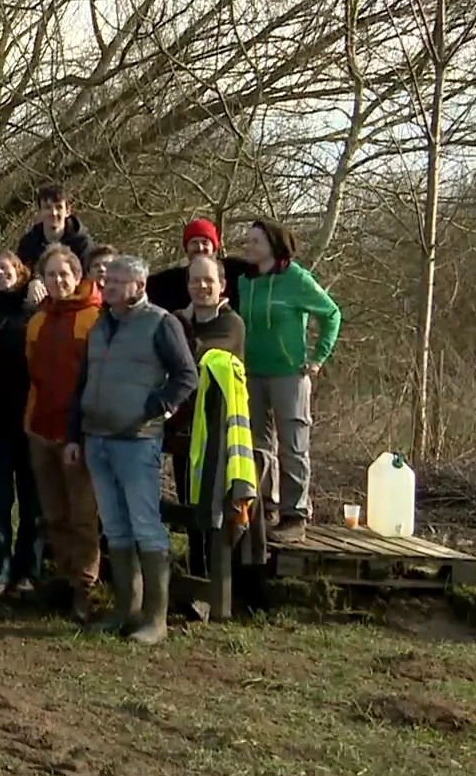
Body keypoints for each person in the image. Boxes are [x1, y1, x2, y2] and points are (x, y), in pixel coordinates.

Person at [67, 255, 198, 646]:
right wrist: (74, 435)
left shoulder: (161, 323)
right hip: (97, 438)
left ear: (138, 287)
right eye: (106, 279)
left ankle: (156, 619)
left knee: (145, 525)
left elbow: (186, 375)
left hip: (137, 441)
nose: (106, 284)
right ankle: (126, 609)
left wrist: (153, 408)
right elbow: (82, 383)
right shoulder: (99, 325)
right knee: (115, 526)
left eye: (116, 281)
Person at [237, 218, 341, 543]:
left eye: (255, 241)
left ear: (273, 244)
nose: (248, 246)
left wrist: (317, 359)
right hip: (252, 373)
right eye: (248, 240)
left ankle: (295, 516)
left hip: (289, 375)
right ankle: (266, 509)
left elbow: (332, 314)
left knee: (293, 445)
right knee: (258, 445)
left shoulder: (297, 279)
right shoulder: (245, 281)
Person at [23, 245, 103, 622]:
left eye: (63, 274)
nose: (58, 281)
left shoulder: (94, 318)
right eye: (50, 275)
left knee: (82, 513)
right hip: (40, 428)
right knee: (53, 513)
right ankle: (64, 576)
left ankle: (84, 588)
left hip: (80, 433)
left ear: (77, 275)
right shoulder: (38, 320)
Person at [167, 253, 247, 577]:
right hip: (183, 431)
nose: (201, 286)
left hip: (217, 436)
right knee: (188, 504)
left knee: (215, 509)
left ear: (222, 285)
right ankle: (194, 572)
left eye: (208, 280)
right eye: (195, 279)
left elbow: (202, 355)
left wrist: (176, 335)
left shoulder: (231, 324)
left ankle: (218, 582)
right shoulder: (177, 321)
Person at [0, 249, 40, 595]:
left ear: (19, 271)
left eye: (7, 268)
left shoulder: (35, 308)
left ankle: (27, 571)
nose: (1, 274)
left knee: (32, 503)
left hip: (31, 418)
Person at [147, 218, 251, 313]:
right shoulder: (170, 281)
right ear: (186, 248)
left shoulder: (235, 270)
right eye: (194, 242)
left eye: (205, 242)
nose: (200, 247)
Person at [15, 184, 96, 271]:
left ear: (67, 211)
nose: (53, 213)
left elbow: (89, 279)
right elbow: (21, 278)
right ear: (39, 212)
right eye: (48, 207)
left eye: (59, 207)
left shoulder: (82, 244)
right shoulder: (27, 244)